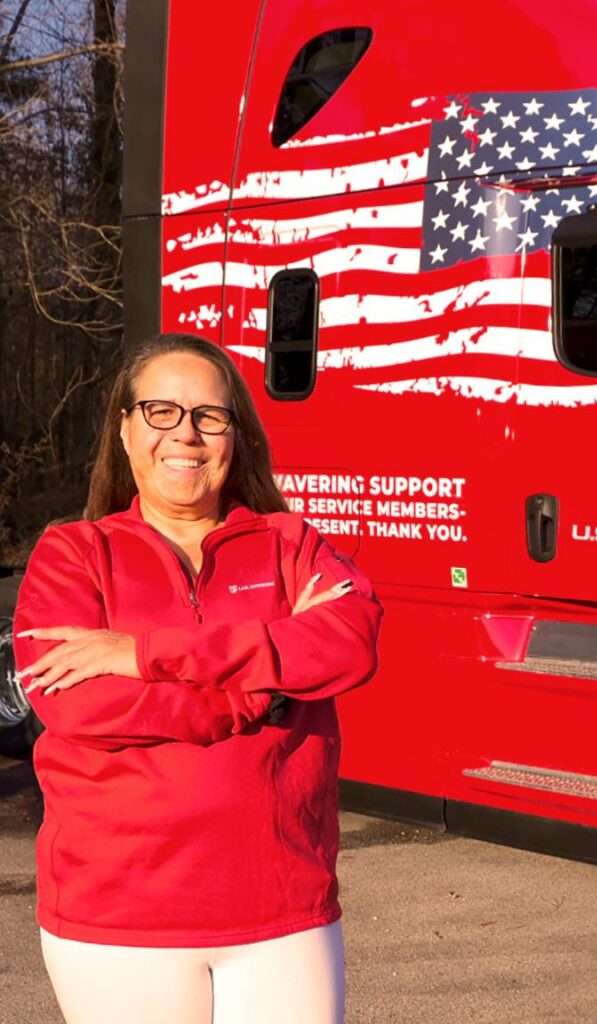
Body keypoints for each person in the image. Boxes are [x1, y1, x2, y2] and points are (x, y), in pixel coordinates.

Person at [12, 332, 382, 1024]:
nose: (186, 433)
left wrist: (147, 654)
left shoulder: (289, 543)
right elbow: (78, 704)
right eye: (161, 411)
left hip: (283, 909)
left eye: (209, 416)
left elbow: (349, 643)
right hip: (118, 916)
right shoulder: (72, 554)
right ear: (124, 428)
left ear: (234, 435)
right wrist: (257, 694)